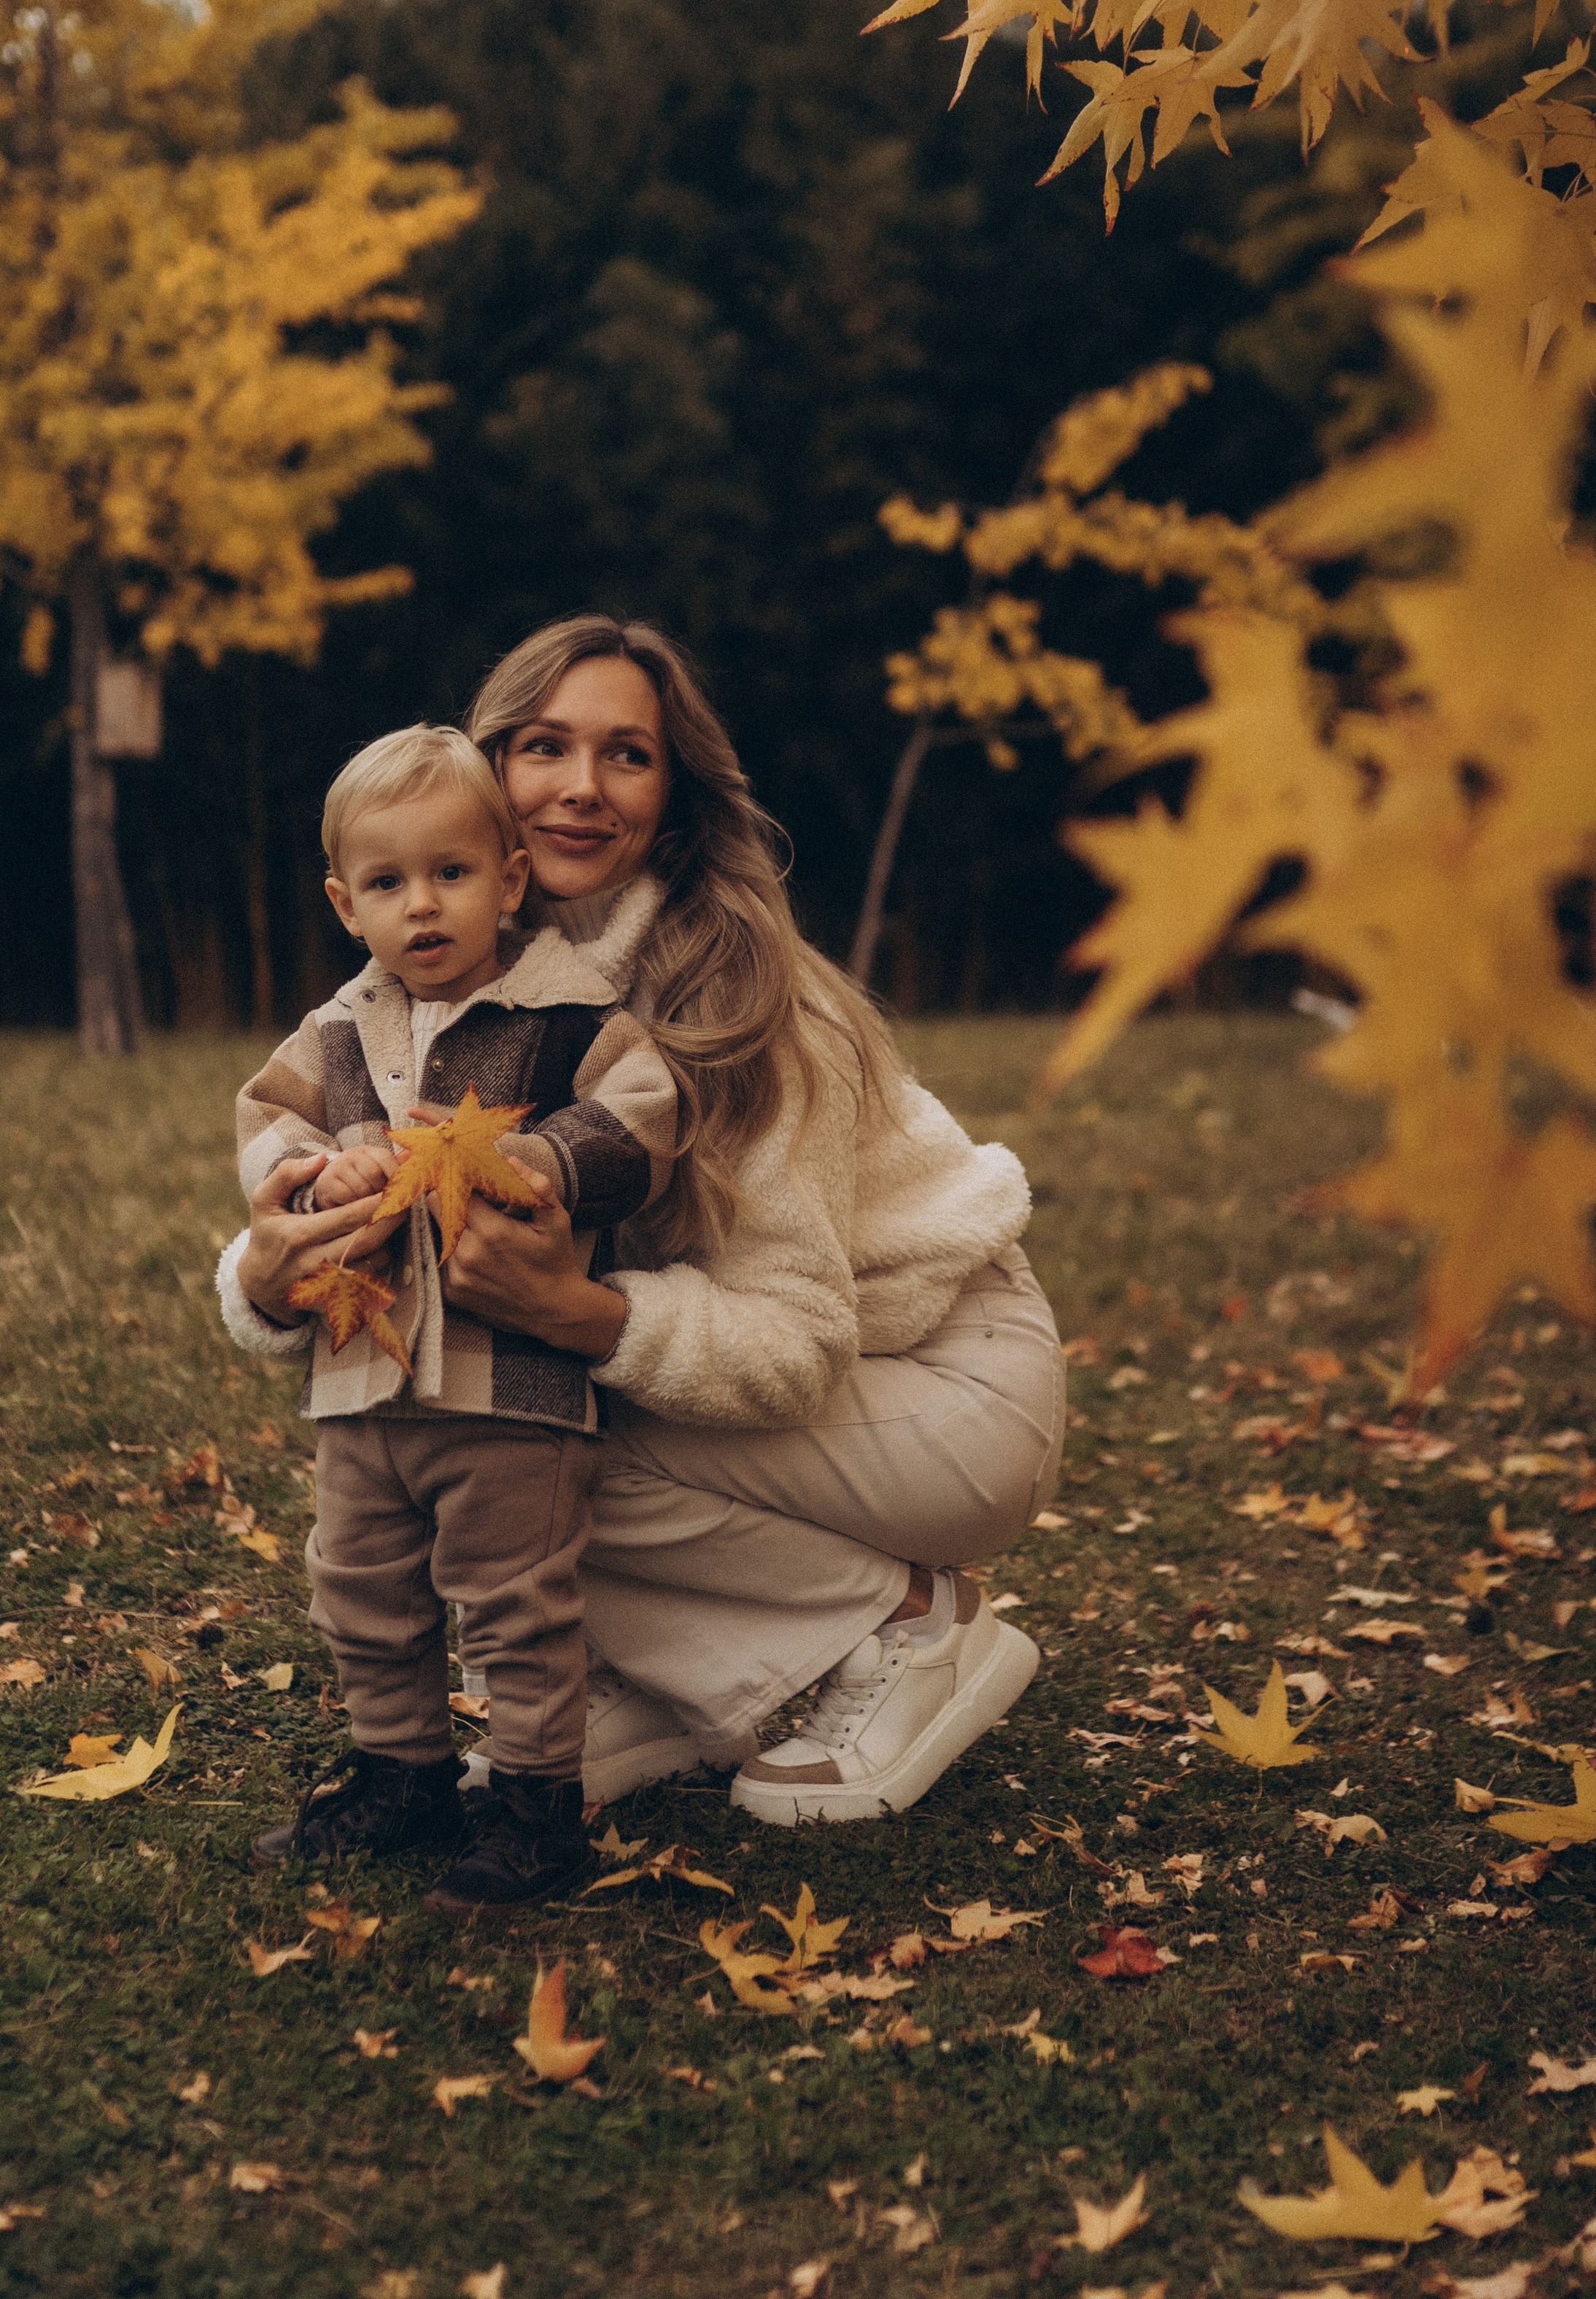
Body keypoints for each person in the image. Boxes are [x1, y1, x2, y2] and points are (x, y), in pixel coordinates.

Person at [227, 617, 1064, 1825]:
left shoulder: (736, 999)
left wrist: (583, 1315)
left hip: (939, 1376)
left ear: (672, 795)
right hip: (794, 1374)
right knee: (483, 1423)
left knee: (532, 1423)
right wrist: (266, 1270)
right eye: (544, 747)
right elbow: (356, 1170)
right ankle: (647, 1678)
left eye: (627, 754)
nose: (579, 787)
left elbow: (799, 1337)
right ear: (484, 770)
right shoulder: (455, 974)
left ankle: (909, 1628)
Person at [224, 723, 679, 1912]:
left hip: (508, 1385)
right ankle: (403, 1771)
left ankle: (535, 1807)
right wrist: (312, 1171)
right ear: (345, 901)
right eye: (388, 883)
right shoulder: (336, 1030)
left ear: (509, 879)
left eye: (452, 873)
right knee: (359, 1584)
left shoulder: (565, 1012)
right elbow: (263, 1118)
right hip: (360, 1379)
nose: (422, 907)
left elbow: (646, 1111)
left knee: (517, 1599)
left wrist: (541, 1157)